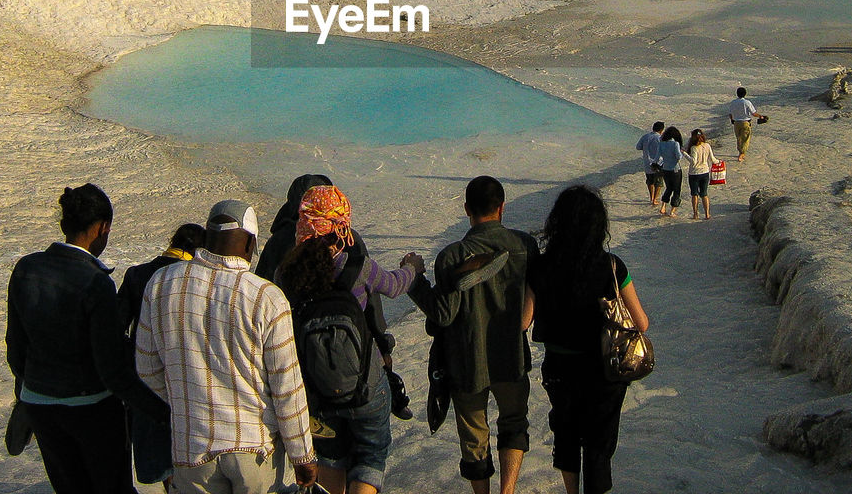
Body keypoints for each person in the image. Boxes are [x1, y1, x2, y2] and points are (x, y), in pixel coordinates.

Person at [136, 200, 318, 494]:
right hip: (254, 448)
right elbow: (287, 387)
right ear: (250, 244)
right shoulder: (266, 298)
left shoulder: (160, 284)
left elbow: (146, 367)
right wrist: (303, 454)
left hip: (191, 447)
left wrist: (187, 400)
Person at [6, 184, 169, 494]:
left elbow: (15, 347)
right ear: (103, 228)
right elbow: (112, 372)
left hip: (40, 405)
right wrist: (160, 412)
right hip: (90, 410)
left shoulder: (26, 268)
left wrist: (34, 386)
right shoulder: (96, 283)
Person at [275, 185, 423, 494]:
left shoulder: (285, 274)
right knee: (370, 458)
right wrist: (413, 268)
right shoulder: (357, 267)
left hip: (317, 389)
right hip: (366, 386)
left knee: (330, 459)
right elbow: (395, 286)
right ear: (342, 224)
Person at [406, 176, 538, 494]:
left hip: (467, 362)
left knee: (474, 438)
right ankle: (507, 492)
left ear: (466, 209)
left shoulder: (452, 257)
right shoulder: (525, 247)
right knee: (513, 423)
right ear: (502, 207)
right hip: (512, 357)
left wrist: (414, 277)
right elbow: (536, 293)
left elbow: (443, 314)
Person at [523, 186, 648, 494]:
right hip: (605, 369)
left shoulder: (540, 266)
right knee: (599, 442)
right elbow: (641, 323)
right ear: (599, 225)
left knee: (565, 435)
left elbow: (523, 322)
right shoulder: (613, 267)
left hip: (560, 367)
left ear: (557, 223)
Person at [258, 174, 413, 421]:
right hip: (359, 368)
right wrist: (384, 345)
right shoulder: (348, 241)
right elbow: (375, 300)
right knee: (371, 452)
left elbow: (262, 304)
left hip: (306, 373)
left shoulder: (279, 252)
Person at [118, 223, 206, 488]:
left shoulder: (137, 275)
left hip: (146, 382)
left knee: (160, 455)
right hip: (189, 380)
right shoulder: (196, 279)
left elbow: (115, 328)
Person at [684, 129, 721, 220]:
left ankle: (695, 214)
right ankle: (707, 214)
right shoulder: (707, 146)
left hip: (694, 173)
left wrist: (684, 153)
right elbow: (713, 160)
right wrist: (720, 162)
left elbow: (693, 162)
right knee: (704, 194)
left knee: (694, 194)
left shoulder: (694, 148)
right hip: (705, 172)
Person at [655, 126, 685, 217]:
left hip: (665, 169)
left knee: (668, 188)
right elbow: (679, 157)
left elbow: (657, 158)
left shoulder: (661, 144)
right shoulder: (675, 144)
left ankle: (663, 206)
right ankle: (672, 211)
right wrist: (682, 152)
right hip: (675, 169)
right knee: (676, 190)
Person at [728, 87, 762, 162]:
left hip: (736, 123)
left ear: (737, 94)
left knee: (739, 138)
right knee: (745, 139)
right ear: (745, 94)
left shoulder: (733, 102)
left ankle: (740, 152)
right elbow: (753, 113)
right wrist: (760, 116)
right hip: (745, 123)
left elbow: (730, 114)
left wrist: (732, 120)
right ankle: (742, 154)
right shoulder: (747, 102)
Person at [635, 121, 665, 206]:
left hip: (647, 162)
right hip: (658, 162)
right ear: (661, 130)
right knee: (659, 183)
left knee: (650, 181)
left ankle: (651, 197)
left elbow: (638, 147)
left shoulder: (645, 136)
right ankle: (655, 199)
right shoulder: (660, 138)